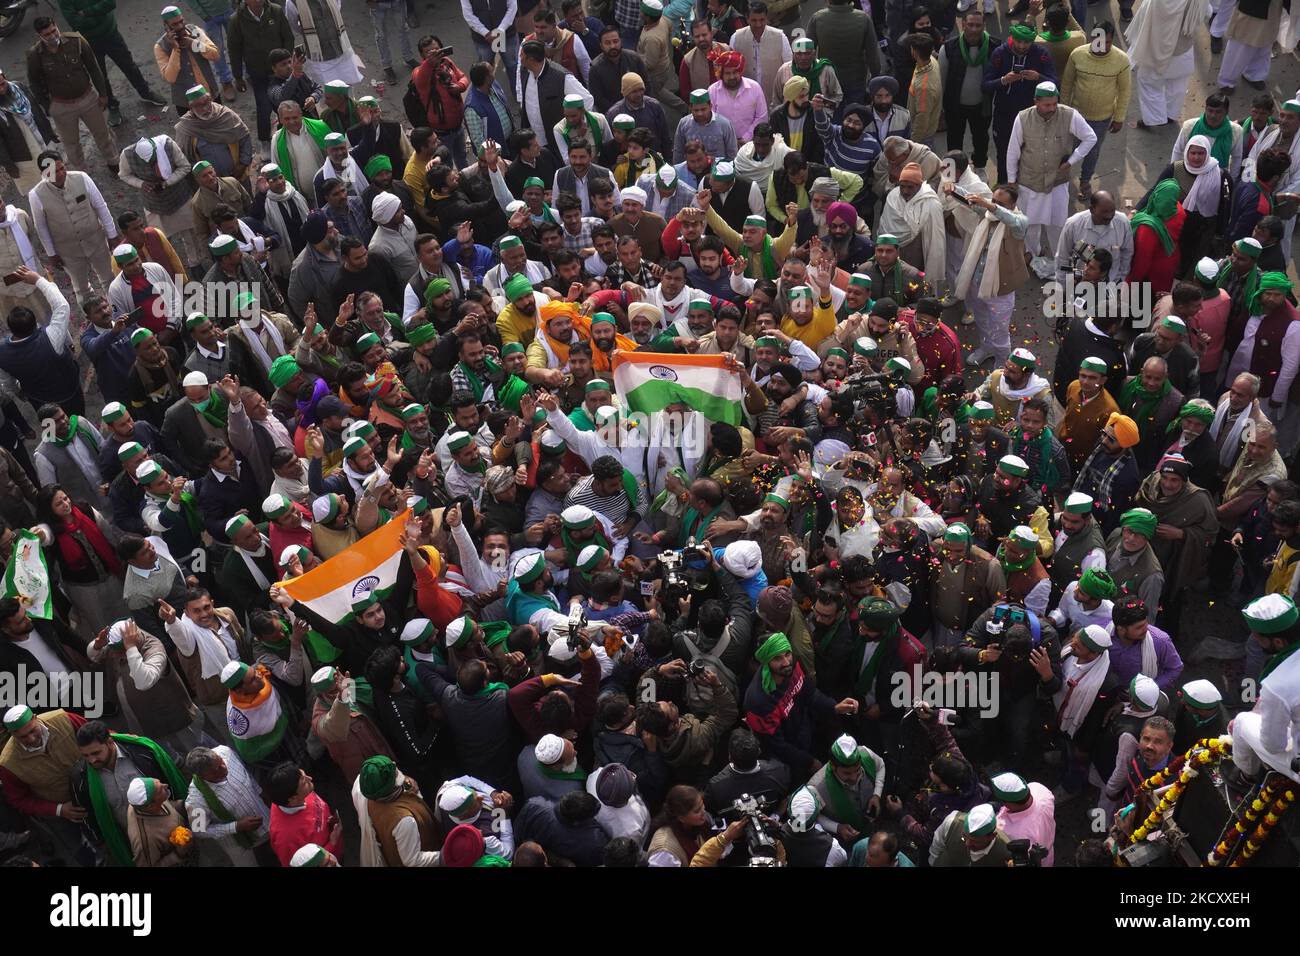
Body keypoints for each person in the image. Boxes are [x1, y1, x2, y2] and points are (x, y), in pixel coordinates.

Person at [1005, 81, 1096, 272]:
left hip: (1057, 183)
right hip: (1029, 183)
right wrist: (1012, 180)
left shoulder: (1069, 115)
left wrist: (1072, 160)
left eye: (1055, 103)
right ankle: (1032, 255)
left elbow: (1090, 137)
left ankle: (1060, 258)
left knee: (1057, 224)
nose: (1052, 108)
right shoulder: (1023, 118)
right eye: (1047, 104)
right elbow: (1013, 151)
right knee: (1030, 226)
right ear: (1036, 102)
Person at [25, 18, 118, 177]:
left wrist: (103, 94)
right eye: (47, 34)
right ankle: (80, 173)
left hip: (87, 98)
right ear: (39, 35)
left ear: (56, 26)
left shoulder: (77, 41)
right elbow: (34, 83)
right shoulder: (35, 55)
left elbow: (93, 68)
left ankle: (114, 162)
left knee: (103, 134)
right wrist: (48, 106)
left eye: (54, 31)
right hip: (61, 105)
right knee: (71, 144)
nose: (52, 35)